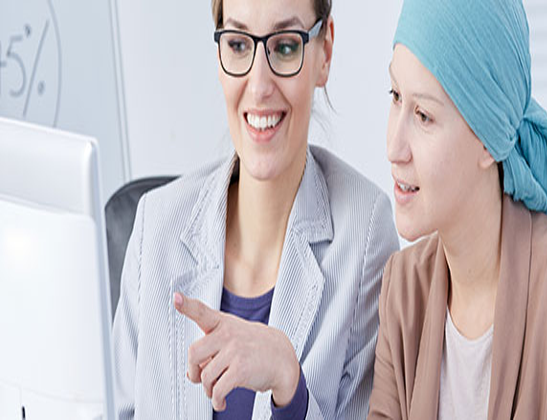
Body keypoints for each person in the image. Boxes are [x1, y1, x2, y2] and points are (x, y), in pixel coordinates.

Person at [112, 0, 399, 418]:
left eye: (285, 47)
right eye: (238, 44)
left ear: (325, 53)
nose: (259, 85)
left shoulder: (365, 235)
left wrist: (290, 384)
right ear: (219, 54)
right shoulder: (156, 225)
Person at [368, 0, 547, 419]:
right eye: (395, 96)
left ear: (489, 141)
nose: (393, 147)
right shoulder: (402, 288)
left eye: (423, 115)